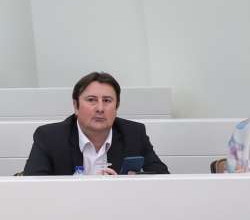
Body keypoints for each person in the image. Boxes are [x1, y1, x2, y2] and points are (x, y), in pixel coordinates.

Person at [22, 71, 169, 175]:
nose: (100, 108)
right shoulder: (50, 137)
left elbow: (162, 176)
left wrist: (128, 183)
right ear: (76, 106)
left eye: (107, 100)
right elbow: (33, 184)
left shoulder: (134, 133)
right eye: (91, 100)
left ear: (116, 107)